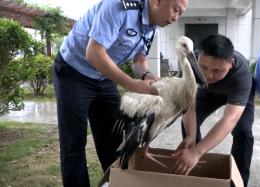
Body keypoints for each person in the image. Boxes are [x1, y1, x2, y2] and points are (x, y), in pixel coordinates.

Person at [52, 0, 188, 186]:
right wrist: (132, 84)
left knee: (113, 140)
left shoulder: (152, 27)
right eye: (176, 10)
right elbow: (93, 53)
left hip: (102, 76)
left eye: (180, 14)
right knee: (73, 143)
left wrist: (146, 74)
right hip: (73, 73)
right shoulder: (118, 6)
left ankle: (114, 183)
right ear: (157, 1)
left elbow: (139, 61)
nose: (176, 17)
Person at [171, 34, 255, 187]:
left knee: (243, 131)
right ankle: (194, 171)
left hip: (236, 93)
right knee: (189, 126)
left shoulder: (242, 75)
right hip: (210, 93)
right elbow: (188, 104)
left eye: (217, 70)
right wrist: (191, 136)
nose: (208, 75)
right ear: (199, 57)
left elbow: (230, 119)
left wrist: (198, 151)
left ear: (230, 63)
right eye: (203, 67)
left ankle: (239, 181)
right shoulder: (190, 61)